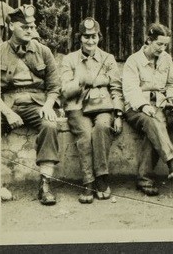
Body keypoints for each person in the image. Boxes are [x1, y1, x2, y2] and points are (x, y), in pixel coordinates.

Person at [0, 5, 61, 205]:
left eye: (32, 26)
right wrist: (7, 113)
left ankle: (45, 184)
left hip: (37, 103)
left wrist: (49, 105)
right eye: (24, 26)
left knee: (50, 125)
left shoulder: (43, 51)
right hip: (5, 103)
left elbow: (54, 85)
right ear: (11, 26)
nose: (29, 30)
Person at [61, 18, 124, 204]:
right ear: (80, 38)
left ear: (99, 37)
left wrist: (119, 114)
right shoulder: (69, 59)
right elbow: (64, 90)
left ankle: (102, 178)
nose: (90, 41)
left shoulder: (108, 59)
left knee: (102, 128)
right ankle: (88, 181)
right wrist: (81, 80)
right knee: (86, 134)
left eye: (94, 37)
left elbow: (116, 89)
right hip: (77, 106)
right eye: (86, 37)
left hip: (102, 106)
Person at [122, 23, 173, 196]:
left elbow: (171, 84)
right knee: (152, 120)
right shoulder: (133, 61)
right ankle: (171, 161)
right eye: (159, 44)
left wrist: (171, 99)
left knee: (156, 124)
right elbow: (130, 89)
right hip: (136, 107)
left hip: (160, 105)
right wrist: (144, 105)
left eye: (165, 45)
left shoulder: (166, 58)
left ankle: (144, 179)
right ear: (149, 40)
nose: (162, 49)